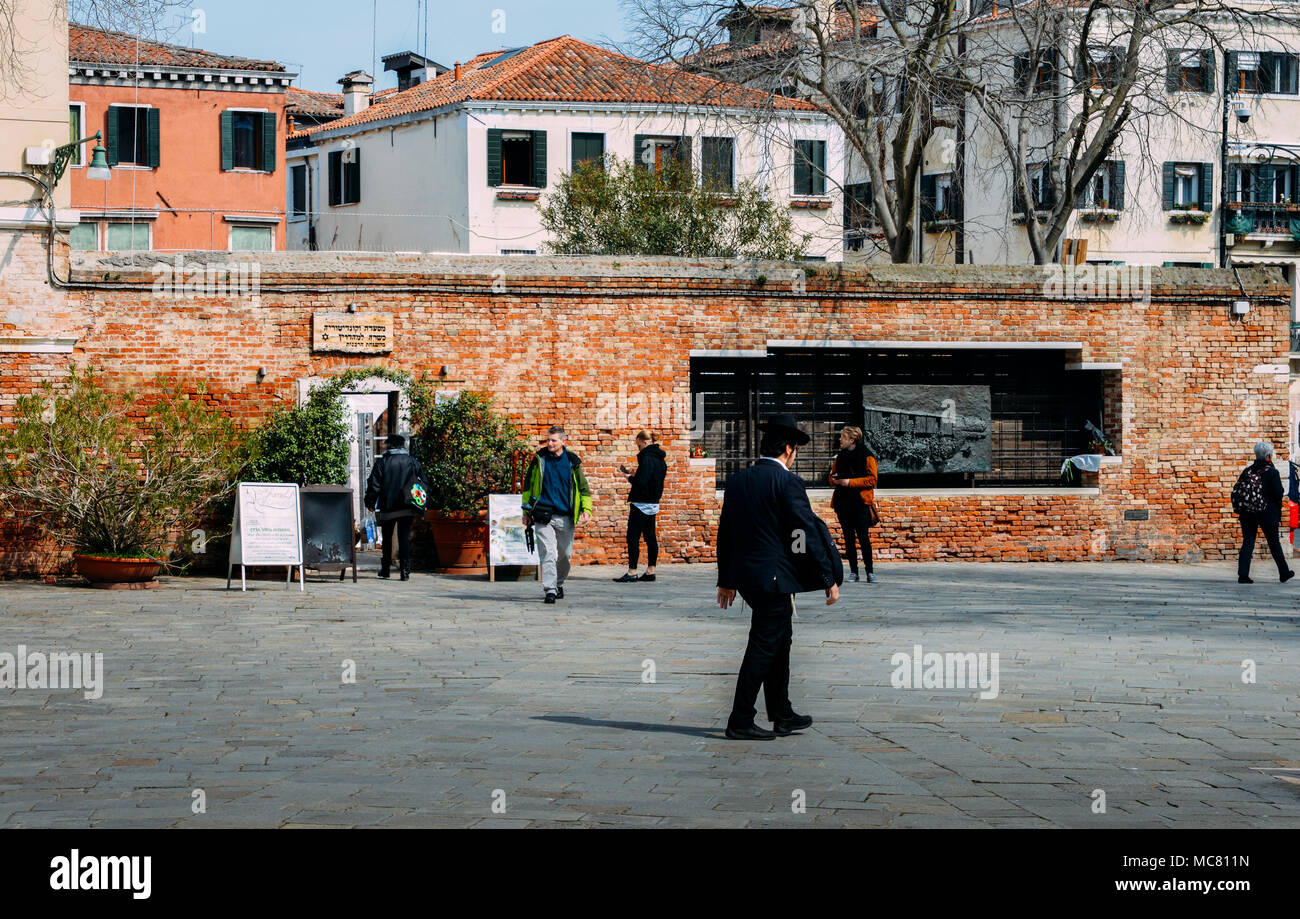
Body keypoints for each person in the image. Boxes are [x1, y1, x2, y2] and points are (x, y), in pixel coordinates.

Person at [716, 413, 841, 741]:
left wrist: (726, 579)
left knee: (779, 641)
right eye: (796, 448)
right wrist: (828, 576)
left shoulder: (739, 480)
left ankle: (782, 712)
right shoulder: (788, 483)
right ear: (788, 449)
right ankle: (740, 718)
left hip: (747, 579)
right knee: (763, 645)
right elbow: (804, 532)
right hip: (774, 579)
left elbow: (727, 533)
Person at [521, 426, 593, 603]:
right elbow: (528, 487)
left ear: (563, 441)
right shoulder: (539, 460)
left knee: (565, 556)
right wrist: (526, 511)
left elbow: (583, 489)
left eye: (554, 440)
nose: (550, 443)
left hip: (565, 516)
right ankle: (550, 590)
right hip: (543, 514)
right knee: (548, 553)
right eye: (548, 440)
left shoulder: (572, 462)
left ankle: (559, 583)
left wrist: (586, 509)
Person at [363, 433, 425, 581]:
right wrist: (420, 503)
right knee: (404, 538)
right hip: (407, 504)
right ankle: (405, 571)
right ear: (403, 445)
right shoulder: (412, 461)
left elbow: (374, 484)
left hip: (387, 506)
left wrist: (370, 502)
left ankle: (385, 569)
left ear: (389, 445)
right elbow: (423, 482)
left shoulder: (383, 462)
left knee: (387, 538)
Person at [1235, 441, 1295, 584]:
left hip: (1248, 512)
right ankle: (1284, 572)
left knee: (1248, 542)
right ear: (1269, 455)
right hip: (1267, 513)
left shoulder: (1247, 471)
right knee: (1274, 543)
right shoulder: (1272, 472)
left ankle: (1243, 575)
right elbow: (1278, 493)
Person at [614, 430, 667, 583]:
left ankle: (632, 572)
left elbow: (641, 483)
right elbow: (651, 479)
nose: (638, 448)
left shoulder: (646, 458)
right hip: (653, 502)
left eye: (638, 444)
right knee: (651, 537)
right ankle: (651, 571)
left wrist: (629, 477)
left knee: (633, 537)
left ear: (644, 442)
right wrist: (636, 474)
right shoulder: (660, 459)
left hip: (640, 503)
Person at [829, 425, 879, 583]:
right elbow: (831, 477)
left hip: (860, 502)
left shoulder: (867, 456)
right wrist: (836, 480)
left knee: (863, 537)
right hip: (843, 502)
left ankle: (870, 571)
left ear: (851, 440)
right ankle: (853, 571)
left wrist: (849, 482)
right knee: (848, 538)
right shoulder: (840, 457)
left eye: (842, 437)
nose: (840, 440)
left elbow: (872, 479)